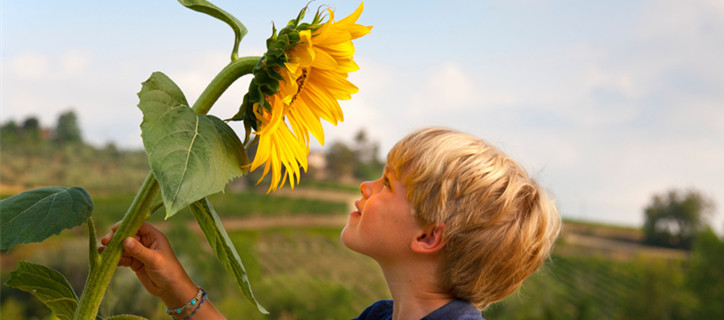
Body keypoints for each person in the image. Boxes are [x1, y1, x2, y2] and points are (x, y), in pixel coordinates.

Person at [100, 127, 562, 320]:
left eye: (387, 184)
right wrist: (176, 288)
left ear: (427, 236)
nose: (365, 187)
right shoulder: (383, 316)